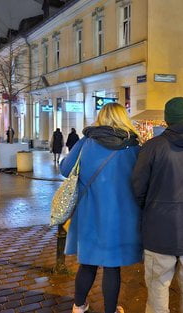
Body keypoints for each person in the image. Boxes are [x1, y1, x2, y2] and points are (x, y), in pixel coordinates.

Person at [132, 97, 183, 313]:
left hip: (159, 229)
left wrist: (151, 206)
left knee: (158, 285)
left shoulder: (152, 147)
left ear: (167, 119)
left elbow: (138, 186)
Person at [59, 103, 142, 313]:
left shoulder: (86, 143)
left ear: (101, 117)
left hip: (89, 213)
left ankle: (78, 306)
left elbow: (66, 169)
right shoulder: (133, 147)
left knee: (87, 263)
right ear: (124, 118)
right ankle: (110, 310)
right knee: (113, 266)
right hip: (121, 216)